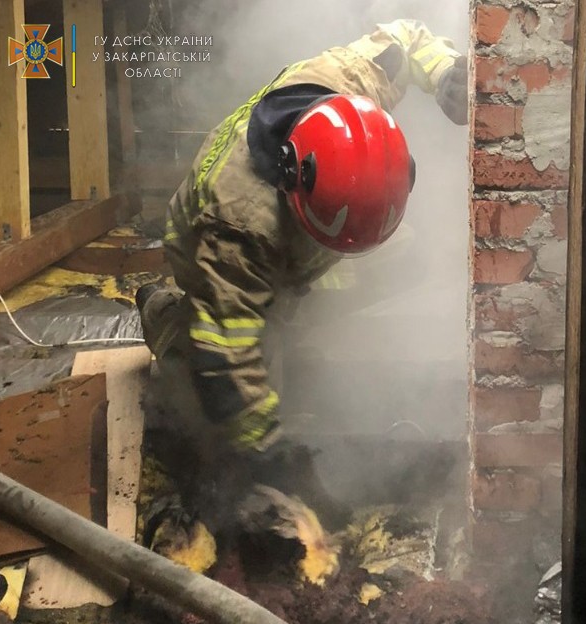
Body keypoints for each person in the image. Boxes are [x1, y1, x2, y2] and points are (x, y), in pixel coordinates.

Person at [137, 19, 467, 531]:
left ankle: (294, 311)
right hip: (204, 251)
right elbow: (228, 359)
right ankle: (163, 318)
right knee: (219, 374)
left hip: (299, 244)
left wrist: (447, 71)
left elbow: (405, 38)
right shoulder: (240, 228)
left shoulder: (351, 82)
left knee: (409, 258)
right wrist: (273, 454)